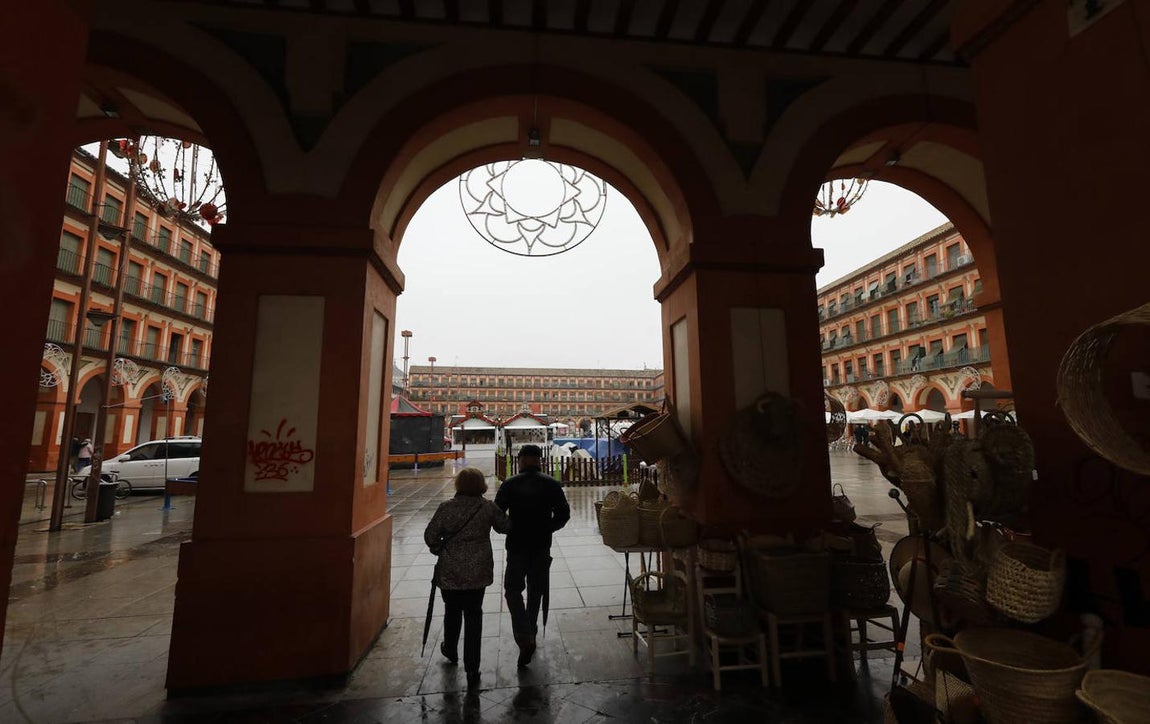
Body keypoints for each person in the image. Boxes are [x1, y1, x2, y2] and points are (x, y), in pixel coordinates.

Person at [424, 466, 509, 690]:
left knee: (452, 611)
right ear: (481, 485)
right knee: (474, 615)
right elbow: (505, 527)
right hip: (477, 571)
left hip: (450, 569)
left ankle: (450, 649)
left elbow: (430, 536)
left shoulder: (446, 508)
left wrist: (439, 547)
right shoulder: (487, 508)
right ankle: (473, 666)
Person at [495, 444, 571, 668]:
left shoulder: (509, 484)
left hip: (516, 545)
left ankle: (523, 633)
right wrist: (548, 528)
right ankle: (531, 629)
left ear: (520, 460)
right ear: (540, 460)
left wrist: (506, 528)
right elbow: (564, 514)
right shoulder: (551, 484)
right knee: (536, 591)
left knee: (512, 590)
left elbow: (496, 514)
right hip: (541, 545)